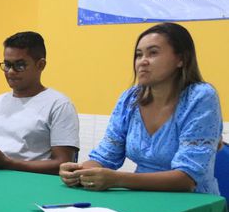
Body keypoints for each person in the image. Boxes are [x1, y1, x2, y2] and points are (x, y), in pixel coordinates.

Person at [59, 22, 223, 194]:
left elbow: (187, 178)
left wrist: (117, 179)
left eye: (153, 53)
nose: (142, 62)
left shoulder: (200, 96)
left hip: (192, 201)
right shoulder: (130, 98)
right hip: (141, 196)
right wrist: (79, 172)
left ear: (181, 59)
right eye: (138, 55)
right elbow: (106, 156)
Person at [0, 32, 79, 174]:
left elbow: (63, 163)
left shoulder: (59, 105)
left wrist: (9, 164)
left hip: (31, 181)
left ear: (41, 65)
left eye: (20, 65)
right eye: (7, 65)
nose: (11, 72)